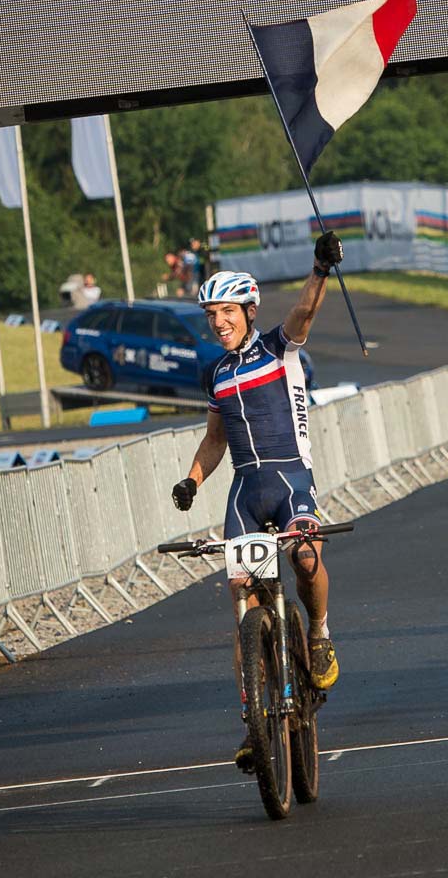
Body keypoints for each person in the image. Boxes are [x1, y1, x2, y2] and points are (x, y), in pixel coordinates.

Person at [171, 231, 344, 770]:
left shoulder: (277, 346)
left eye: (227, 312)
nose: (218, 322)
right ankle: (254, 723)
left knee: (307, 556)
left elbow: (304, 314)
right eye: (211, 316)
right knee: (242, 599)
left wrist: (319, 269)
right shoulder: (216, 374)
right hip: (246, 491)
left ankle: (317, 635)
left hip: (291, 480)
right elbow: (216, 438)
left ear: (248, 310)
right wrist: (193, 481)